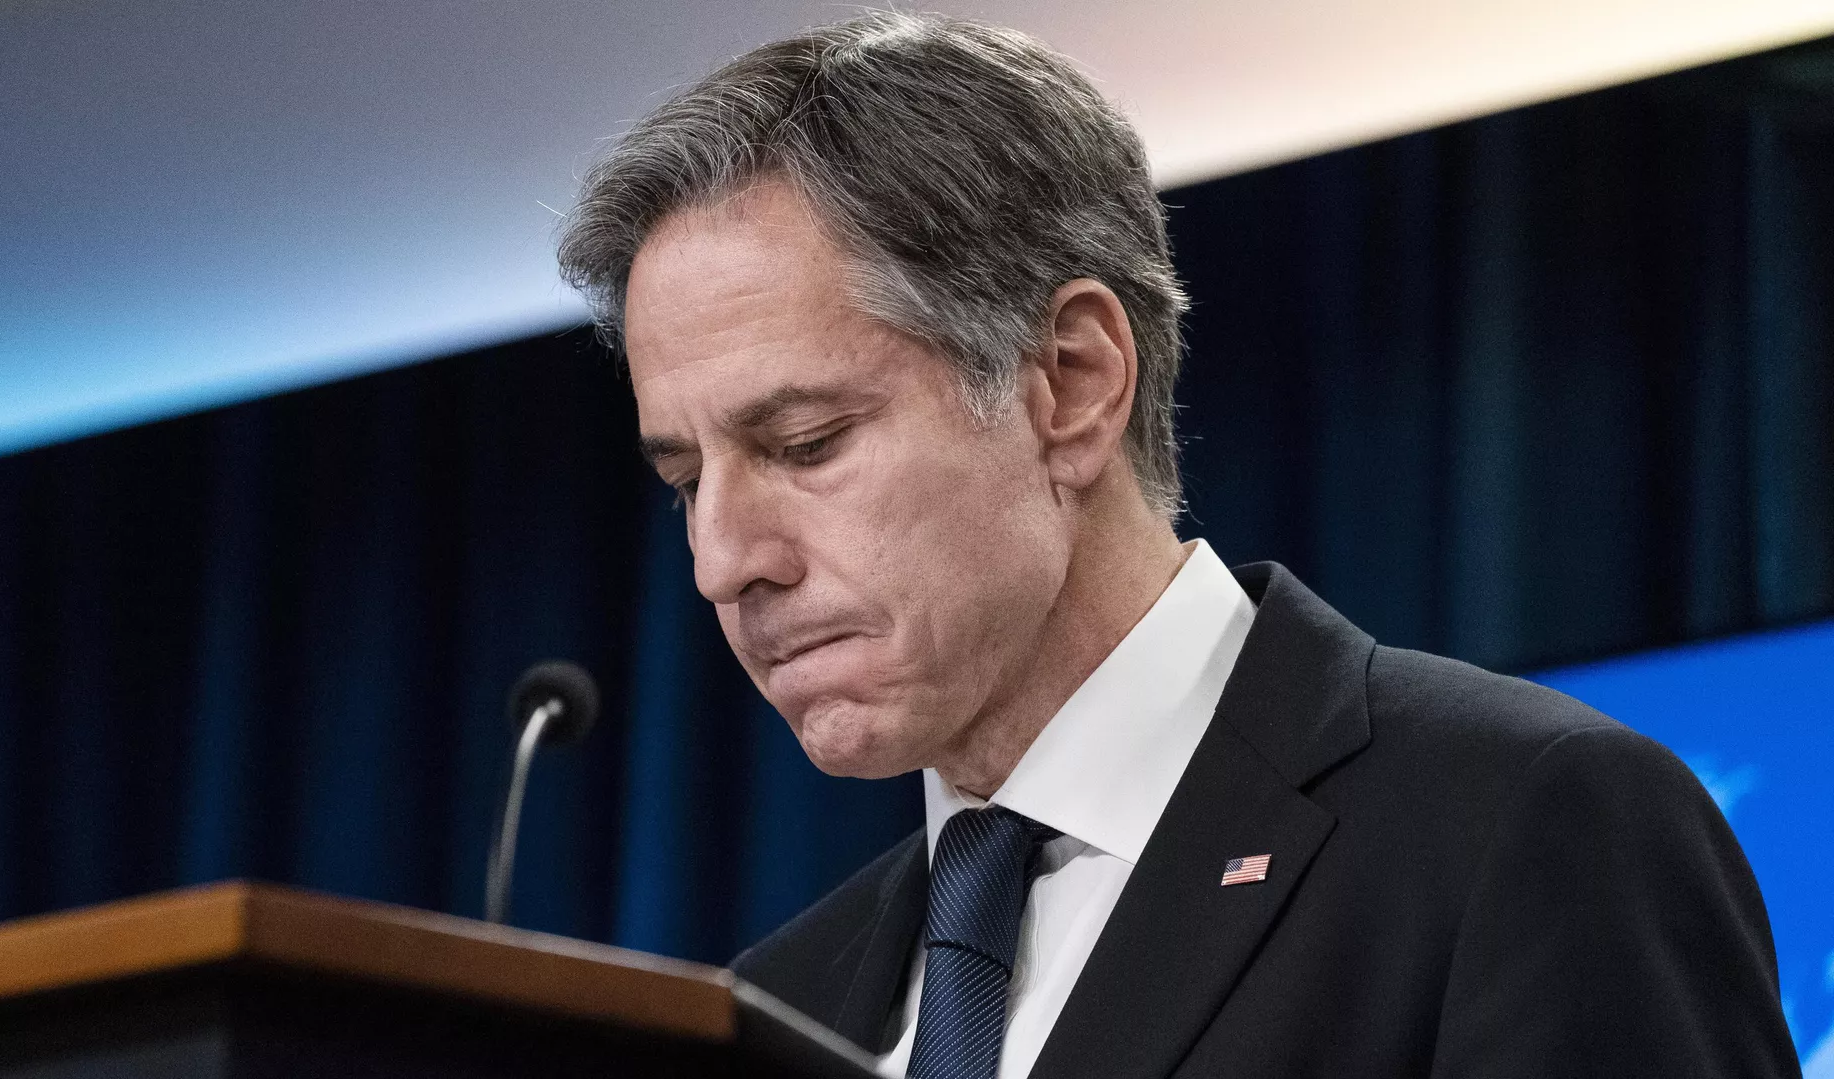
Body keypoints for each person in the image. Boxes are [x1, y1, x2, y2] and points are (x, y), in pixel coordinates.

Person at [558, 12, 1798, 1078]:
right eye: (684, 479)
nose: (726, 561)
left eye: (809, 441)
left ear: (1072, 381)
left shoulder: (1520, 825)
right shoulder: (787, 994)